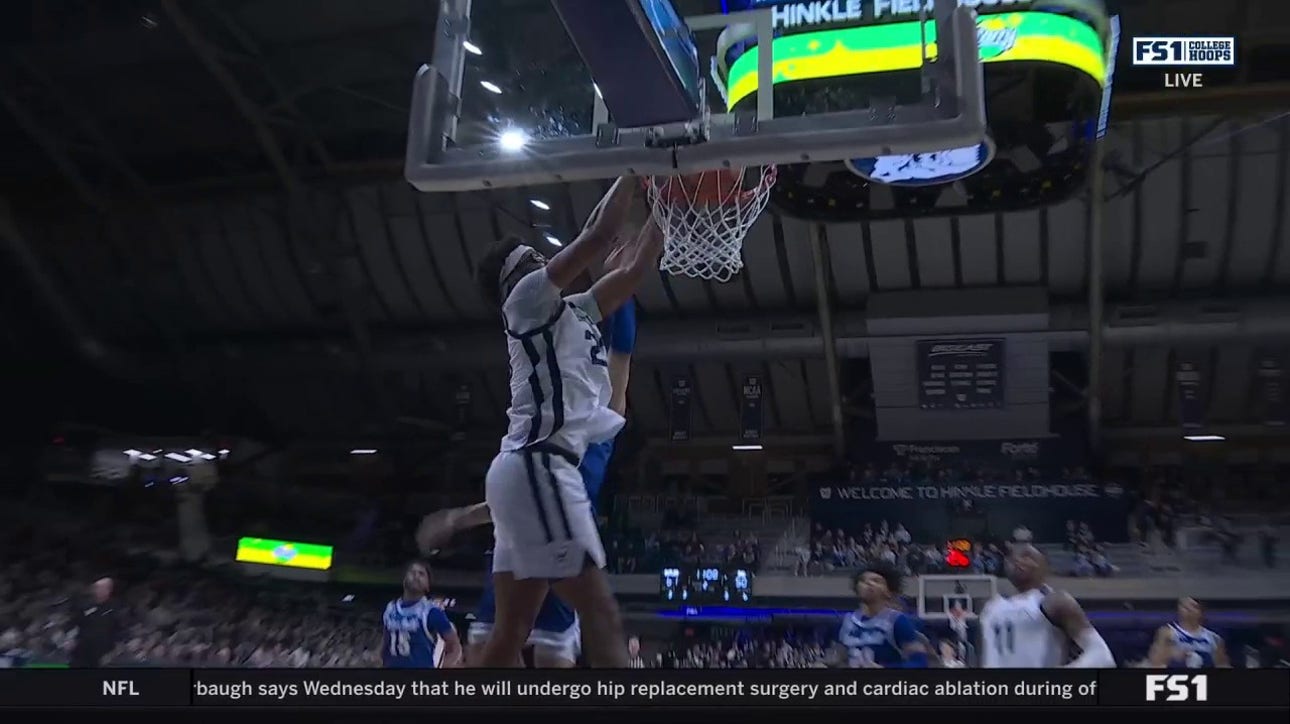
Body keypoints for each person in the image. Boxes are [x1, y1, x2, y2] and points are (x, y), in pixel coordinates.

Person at [472, 177, 661, 668]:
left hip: (525, 470)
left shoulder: (574, 309)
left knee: (510, 633)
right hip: (541, 466)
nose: (545, 262)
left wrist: (670, 207)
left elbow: (635, 269)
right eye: (535, 259)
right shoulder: (525, 299)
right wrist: (637, 165)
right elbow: (597, 236)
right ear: (520, 277)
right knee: (600, 614)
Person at [979, 543, 1115, 668]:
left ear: (1045, 566)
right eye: (1012, 557)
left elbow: (1102, 656)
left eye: (1026, 556)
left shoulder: (1054, 601)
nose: (1018, 560)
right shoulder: (991, 608)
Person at [827, 562, 930, 668]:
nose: (868, 583)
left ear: (888, 592)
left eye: (876, 580)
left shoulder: (897, 621)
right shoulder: (846, 621)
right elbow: (836, 658)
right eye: (863, 580)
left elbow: (920, 663)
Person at [381, 560, 462, 668]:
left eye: (421, 574)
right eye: (412, 572)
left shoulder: (432, 612)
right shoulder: (390, 608)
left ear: (428, 585)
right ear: (404, 579)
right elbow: (385, 643)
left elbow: (455, 647)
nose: (416, 576)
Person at [1147, 597, 1230, 668]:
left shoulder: (1213, 638)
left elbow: (1222, 665)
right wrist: (1172, 654)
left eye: (1193, 606)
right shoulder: (1167, 633)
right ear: (1178, 609)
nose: (1189, 609)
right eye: (1184, 606)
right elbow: (1155, 663)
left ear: (1201, 612)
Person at [70, 577, 118, 668]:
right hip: (81, 650)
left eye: (101, 587)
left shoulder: (114, 607)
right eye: (96, 587)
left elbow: (117, 630)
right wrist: (70, 638)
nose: (97, 590)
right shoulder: (84, 605)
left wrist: (112, 651)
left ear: (109, 590)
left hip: (102, 653)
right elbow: (74, 623)